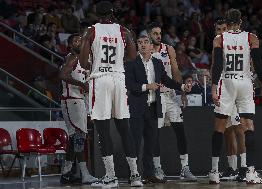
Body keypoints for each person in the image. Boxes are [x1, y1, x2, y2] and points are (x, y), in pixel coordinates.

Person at [79, 1, 142, 187]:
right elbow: (132, 55)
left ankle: (111, 176)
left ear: (96, 14)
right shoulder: (124, 31)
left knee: (103, 129)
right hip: (119, 79)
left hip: (101, 79)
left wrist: (94, 64)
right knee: (124, 128)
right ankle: (135, 175)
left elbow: (82, 61)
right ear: (113, 13)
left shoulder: (91, 30)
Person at [209, 9, 262, 184]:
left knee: (220, 127)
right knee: (248, 126)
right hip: (245, 82)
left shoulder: (219, 38)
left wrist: (214, 87)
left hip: (227, 82)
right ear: (240, 21)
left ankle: (214, 171)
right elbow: (259, 66)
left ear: (228, 23)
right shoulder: (251, 38)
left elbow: (216, 67)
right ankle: (251, 172)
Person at [125, 35, 192, 184]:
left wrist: (181, 87)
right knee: (135, 142)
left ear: (151, 47)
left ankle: (149, 174)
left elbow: (166, 80)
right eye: (140, 42)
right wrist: (146, 87)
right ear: (137, 46)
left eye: (145, 42)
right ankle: (134, 174)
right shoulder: (131, 64)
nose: (143, 45)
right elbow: (129, 85)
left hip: (154, 108)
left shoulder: (157, 63)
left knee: (150, 143)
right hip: (137, 108)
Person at [147, 22, 197, 181]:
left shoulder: (168, 49)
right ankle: (157, 168)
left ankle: (185, 168)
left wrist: (181, 91)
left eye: (159, 33)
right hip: (155, 96)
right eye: (154, 33)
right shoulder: (145, 51)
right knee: (155, 134)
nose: (158, 36)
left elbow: (175, 71)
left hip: (170, 95)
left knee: (180, 131)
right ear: (148, 35)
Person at [59, 33, 97, 184]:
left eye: (80, 40)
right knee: (79, 136)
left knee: (75, 138)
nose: (79, 42)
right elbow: (62, 75)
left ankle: (66, 172)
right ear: (70, 45)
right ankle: (84, 173)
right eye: (75, 41)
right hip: (71, 100)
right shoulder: (72, 58)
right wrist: (82, 85)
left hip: (79, 100)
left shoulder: (84, 61)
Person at [213, 19, 247, 182]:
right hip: (223, 92)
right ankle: (232, 168)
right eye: (218, 29)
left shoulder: (236, 44)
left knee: (239, 129)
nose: (220, 31)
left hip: (235, 90)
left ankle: (244, 167)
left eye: (223, 28)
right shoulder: (217, 45)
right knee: (227, 131)